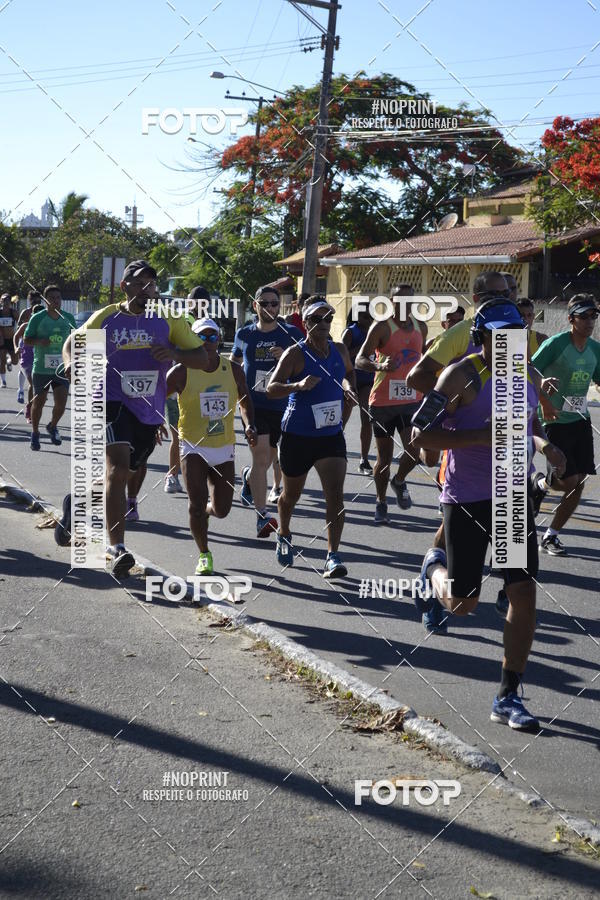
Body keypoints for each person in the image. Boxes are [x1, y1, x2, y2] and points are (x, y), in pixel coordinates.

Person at [410, 299, 566, 730]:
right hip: (466, 496)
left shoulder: (526, 374)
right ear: (480, 338)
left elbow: (527, 426)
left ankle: (508, 694)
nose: (506, 345)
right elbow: (420, 433)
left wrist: (545, 446)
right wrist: (481, 434)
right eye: (497, 337)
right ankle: (433, 570)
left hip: (512, 495)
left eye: (513, 337)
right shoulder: (460, 375)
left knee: (523, 591)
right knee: (462, 604)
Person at [57, 259, 208, 578]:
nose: (147, 290)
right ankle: (117, 548)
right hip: (109, 400)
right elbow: (73, 341)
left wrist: (177, 355)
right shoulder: (109, 317)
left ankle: (78, 501)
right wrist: (70, 363)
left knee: (126, 472)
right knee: (119, 468)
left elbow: (204, 359)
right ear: (125, 286)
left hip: (148, 409)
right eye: (140, 283)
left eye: (152, 284)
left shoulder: (168, 319)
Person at [267, 298, 356, 578]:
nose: (323, 324)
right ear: (305, 323)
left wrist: (349, 388)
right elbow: (271, 388)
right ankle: (284, 531)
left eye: (328, 318)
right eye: (316, 319)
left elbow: (348, 374)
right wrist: (298, 385)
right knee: (291, 495)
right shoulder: (295, 354)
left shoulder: (340, 349)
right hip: (298, 435)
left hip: (330, 435)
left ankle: (333, 556)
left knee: (336, 496)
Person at [166, 317, 256, 575]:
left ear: (219, 340)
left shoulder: (233, 369)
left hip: (223, 446)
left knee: (222, 509)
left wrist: (249, 424)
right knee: (195, 504)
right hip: (193, 445)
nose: (206, 342)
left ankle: (206, 511)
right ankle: (204, 554)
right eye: (200, 337)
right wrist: (152, 425)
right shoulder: (181, 371)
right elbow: (157, 396)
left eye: (211, 337)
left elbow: (246, 400)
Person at [530, 294, 600, 555]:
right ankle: (541, 485)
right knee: (569, 479)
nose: (590, 321)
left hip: (580, 420)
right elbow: (527, 370)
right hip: (554, 419)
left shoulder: (594, 349)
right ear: (571, 319)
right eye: (584, 316)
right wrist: (544, 401)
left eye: (594, 316)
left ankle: (551, 535)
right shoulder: (556, 344)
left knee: (578, 482)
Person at [231, 285, 303, 538]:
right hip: (253, 406)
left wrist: (285, 356)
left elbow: (305, 368)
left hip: (283, 406)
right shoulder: (244, 334)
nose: (270, 308)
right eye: (265, 303)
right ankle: (262, 516)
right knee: (262, 458)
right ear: (255, 305)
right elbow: (234, 365)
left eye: (274, 304)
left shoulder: (291, 333)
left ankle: (249, 477)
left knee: (271, 457)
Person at [356, 289, 423, 524]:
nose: (405, 303)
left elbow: (423, 359)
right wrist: (381, 367)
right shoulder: (382, 327)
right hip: (383, 402)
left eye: (410, 298)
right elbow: (360, 359)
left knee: (415, 452)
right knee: (383, 459)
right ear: (392, 301)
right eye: (400, 299)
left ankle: (399, 480)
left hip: (411, 400)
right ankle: (381, 501)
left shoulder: (420, 326)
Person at [164, 285, 212, 494]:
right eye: (195, 302)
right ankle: (172, 476)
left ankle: (193, 476)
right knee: (178, 435)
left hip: (201, 386)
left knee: (201, 434)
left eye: (202, 303)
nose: (198, 306)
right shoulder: (181, 321)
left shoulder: (210, 325)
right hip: (178, 385)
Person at [23, 285, 75, 450]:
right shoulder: (37, 318)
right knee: (39, 402)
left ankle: (52, 426)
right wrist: (39, 341)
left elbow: (76, 340)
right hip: (41, 368)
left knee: (61, 403)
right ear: (45, 300)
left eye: (58, 298)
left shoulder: (68, 318)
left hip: (61, 369)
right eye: (52, 298)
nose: (55, 301)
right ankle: (35, 433)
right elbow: (26, 339)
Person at [342, 307, 374, 474]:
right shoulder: (350, 332)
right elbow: (342, 355)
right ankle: (335, 450)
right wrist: (363, 347)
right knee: (343, 419)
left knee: (367, 418)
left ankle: (364, 459)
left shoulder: (375, 332)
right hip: (350, 379)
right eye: (365, 316)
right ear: (357, 316)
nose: (369, 319)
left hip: (368, 380)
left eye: (371, 316)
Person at [13, 292, 43, 416]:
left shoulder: (45, 323)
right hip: (25, 350)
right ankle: (28, 407)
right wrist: (16, 347)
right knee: (32, 382)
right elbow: (17, 331)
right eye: (34, 301)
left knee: (37, 386)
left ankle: (32, 406)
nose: (36, 303)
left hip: (40, 356)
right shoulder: (26, 314)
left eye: (38, 301)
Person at [0, 292, 19, 387]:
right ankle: (3, 381)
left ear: (10, 302)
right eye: (4, 300)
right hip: (1, 339)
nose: (6, 302)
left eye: (8, 300)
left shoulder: (13, 312)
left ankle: (9, 361)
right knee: (1, 360)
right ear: (1, 301)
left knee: (15, 361)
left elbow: (20, 323)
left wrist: (18, 335)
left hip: (12, 339)